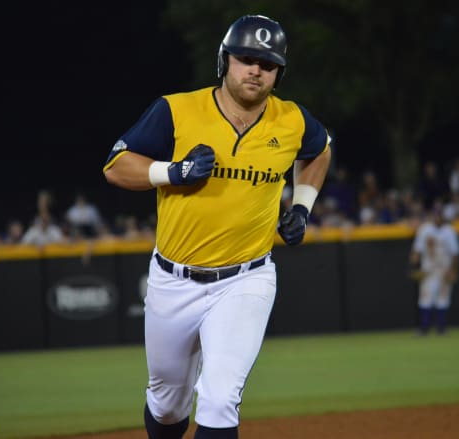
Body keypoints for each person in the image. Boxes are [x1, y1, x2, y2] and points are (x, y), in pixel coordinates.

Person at [102, 14, 331, 439]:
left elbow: (320, 151)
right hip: (174, 279)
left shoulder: (292, 119)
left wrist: (302, 207)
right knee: (168, 403)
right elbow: (116, 167)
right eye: (246, 58)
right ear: (224, 60)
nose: (256, 70)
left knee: (220, 396)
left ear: (279, 73)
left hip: (247, 278)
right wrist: (174, 171)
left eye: (267, 63)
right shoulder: (177, 109)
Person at [408, 206, 459, 336]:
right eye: (435, 215)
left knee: (443, 299)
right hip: (428, 270)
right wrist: (413, 266)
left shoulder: (449, 231)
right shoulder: (425, 229)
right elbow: (417, 250)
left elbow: (455, 253)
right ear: (432, 216)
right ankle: (424, 328)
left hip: (444, 269)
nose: (437, 218)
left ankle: (441, 328)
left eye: (439, 215)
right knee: (425, 298)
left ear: (442, 216)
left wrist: (454, 270)